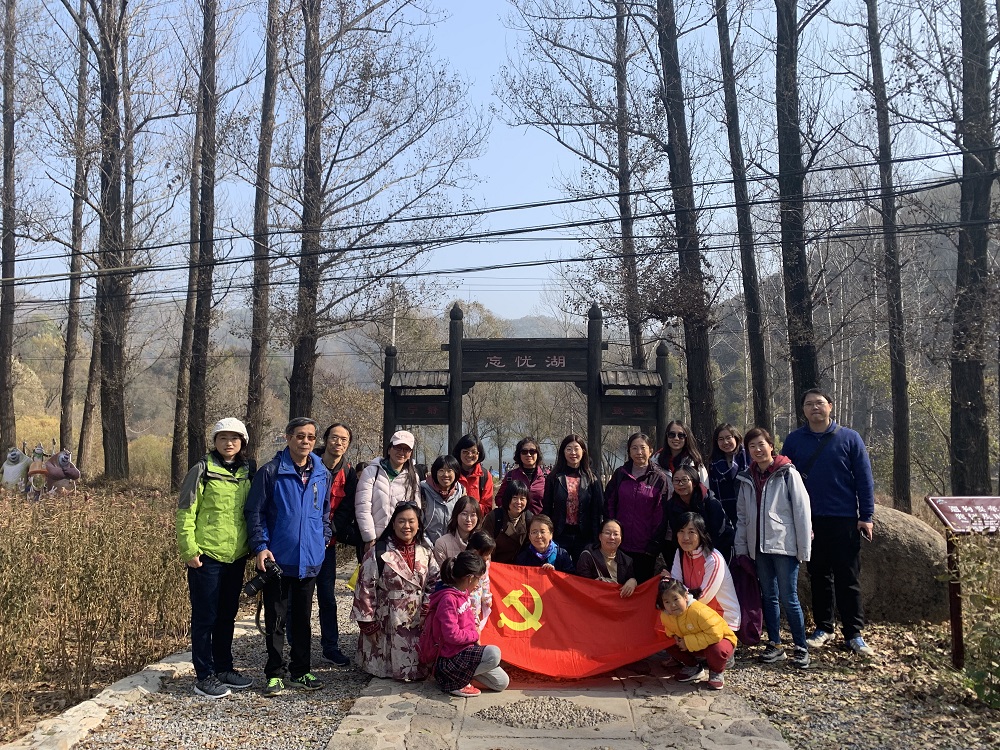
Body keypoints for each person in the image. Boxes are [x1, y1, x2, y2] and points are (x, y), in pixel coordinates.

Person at [781, 388, 876, 657]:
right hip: (809, 520)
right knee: (819, 576)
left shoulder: (850, 438)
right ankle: (824, 627)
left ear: (830, 406)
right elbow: (785, 479)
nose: (815, 408)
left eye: (819, 403)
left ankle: (854, 633)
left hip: (844, 519)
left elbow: (864, 479)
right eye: (809, 404)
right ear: (803, 410)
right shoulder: (795, 440)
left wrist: (866, 516)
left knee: (848, 577)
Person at [244, 417, 331, 696]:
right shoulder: (271, 472)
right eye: (300, 436)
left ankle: (301, 671)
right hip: (278, 560)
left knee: (303, 619)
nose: (305, 441)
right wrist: (260, 547)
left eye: (311, 437)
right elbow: (255, 513)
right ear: (288, 438)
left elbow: (325, 513)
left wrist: (323, 539)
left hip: (310, 560)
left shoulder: (322, 473)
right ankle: (274, 674)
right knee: (276, 620)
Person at [176, 418, 256, 698]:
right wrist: (189, 550)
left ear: (242, 442)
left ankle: (224, 668)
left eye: (235, 438)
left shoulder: (248, 471)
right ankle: (204, 675)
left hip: (236, 556)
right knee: (205, 616)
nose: (229, 443)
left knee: (227, 615)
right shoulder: (202, 470)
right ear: (214, 442)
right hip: (206, 555)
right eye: (223, 438)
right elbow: (186, 511)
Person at [735, 427, 811, 668]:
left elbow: (802, 511)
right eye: (752, 446)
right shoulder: (747, 477)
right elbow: (742, 516)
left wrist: (803, 549)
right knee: (768, 597)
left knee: (789, 598)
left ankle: (801, 647)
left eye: (761, 444)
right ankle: (775, 644)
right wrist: (742, 548)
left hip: (784, 546)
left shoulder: (787, 473)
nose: (757, 450)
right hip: (759, 547)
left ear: (771, 446)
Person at [350, 502, 440, 681]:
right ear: (393, 524)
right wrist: (368, 625)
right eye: (401, 521)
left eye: (411, 521)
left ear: (418, 524)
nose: (406, 526)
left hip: (418, 618)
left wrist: (427, 609)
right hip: (387, 619)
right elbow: (365, 588)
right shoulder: (378, 552)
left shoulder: (426, 551)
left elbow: (435, 582)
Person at [421, 551, 510, 697]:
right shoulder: (448, 599)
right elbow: (452, 635)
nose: (478, 584)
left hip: (466, 652)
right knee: (493, 653)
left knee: (501, 682)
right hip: (451, 656)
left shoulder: (463, 594)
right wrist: (475, 635)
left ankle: (459, 677)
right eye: (478, 579)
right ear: (469, 578)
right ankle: (452, 679)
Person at [315, 422, 359, 667]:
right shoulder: (309, 464)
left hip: (327, 544)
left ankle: (330, 647)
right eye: (334, 437)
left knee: (327, 598)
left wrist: (330, 530)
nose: (338, 443)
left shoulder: (348, 473)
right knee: (295, 599)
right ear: (325, 439)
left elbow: (347, 508)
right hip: (303, 543)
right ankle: (295, 647)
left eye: (344, 439)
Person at [605, 432, 670, 582]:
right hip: (620, 544)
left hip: (645, 548)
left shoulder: (659, 478)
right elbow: (609, 504)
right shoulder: (620, 474)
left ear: (651, 451)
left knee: (641, 587)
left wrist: (654, 545)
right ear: (629, 451)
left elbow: (661, 515)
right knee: (618, 586)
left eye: (642, 448)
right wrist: (612, 533)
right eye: (634, 448)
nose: (639, 452)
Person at [656, 577, 736, 691]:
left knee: (717, 649)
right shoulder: (665, 615)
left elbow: (715, 635)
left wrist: (687, 642)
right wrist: (675, 637)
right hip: (695, 643)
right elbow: (669, 629)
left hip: (720, 640)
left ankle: (717, 671)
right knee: (667, 641)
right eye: (667, 602)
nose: (672, 605)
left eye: (676, 599)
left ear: (685, 596)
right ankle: (693, 667)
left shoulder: (698, 611)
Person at [669, 512, 740, 631]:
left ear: (701, 534)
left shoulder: (713, 559)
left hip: (721, 619)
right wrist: (669, 584)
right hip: (694, 615)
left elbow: (703, 598)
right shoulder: (680, 553)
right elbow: (674, 586)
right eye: (681, 531)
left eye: (691, 532)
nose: (685, 537)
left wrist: (674, 589)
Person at [542, 434, 604, 562]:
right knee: (557, 568)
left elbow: (597, 510)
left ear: (583, 451)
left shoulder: (592, 478)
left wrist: (596, 537)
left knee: (582, 569)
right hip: (560, 534)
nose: (573, 453)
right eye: (569, 449)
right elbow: (547, 508)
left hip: (584, 535)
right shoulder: (554, 477)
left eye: (576, 449)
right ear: (563, 452)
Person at [355, 430, 421, 552]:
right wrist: (369, 538)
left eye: (406, 449)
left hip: (402, 540)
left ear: (410, 454)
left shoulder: (413, 477)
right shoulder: (371, 472)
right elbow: (362, 506)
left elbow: (416, 510)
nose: (401, 452)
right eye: (398, 448)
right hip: (376, 540)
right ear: (389, 449)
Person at [661, 464, 733, 564]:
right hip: (690, 553)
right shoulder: (671, 505)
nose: (680, 484)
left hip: (717, 551)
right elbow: (677, 534)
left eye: (685, 480)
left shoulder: (710, 502)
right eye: (676, 480)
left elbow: (718, 533)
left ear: (694, 482)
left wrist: (707, 556)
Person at [576, 519, 637, 597]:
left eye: (616, 534)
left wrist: (633, 581)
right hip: (593, 599)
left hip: (616, 601)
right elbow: (582, 585)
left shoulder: (627, 561)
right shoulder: (587, 555)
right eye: (607, 533)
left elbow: (630, 581)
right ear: (600, 536)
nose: (612, 537)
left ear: (621, 538)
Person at [482, 479, 533, 564]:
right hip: (497, 566)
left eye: (522, 498)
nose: (519, 502)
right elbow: (484, 547)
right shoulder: (494, 517)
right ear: (507, 498)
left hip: (520, 567)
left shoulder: (529, 518)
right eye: (515, 498)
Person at [708, 423, 748, 531]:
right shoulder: (713, 464)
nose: (725, 442)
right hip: (724, 515)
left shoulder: (748, 457)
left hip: (749, 512)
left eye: (728, 437)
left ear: (736, 437)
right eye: (721, 439)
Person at [494, 437, 548, 514]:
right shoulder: (511, 476)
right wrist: (510, 511)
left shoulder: (546, 477)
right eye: (524, 452)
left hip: (539, 520)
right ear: (519, 454)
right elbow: (499, 498)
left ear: (538, 454)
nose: (528, 455)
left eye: (532, 451)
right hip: (515, 520)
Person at [421, 454, 465, 545]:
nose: (445, 475)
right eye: (441, 471)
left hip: (452, 546)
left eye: (449, 471)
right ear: (435, 472)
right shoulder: (422, 490)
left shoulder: (461, 492)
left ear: (456, 472)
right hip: (427, 546)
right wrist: (429, 546)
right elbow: (418, 524)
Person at [654, 420, 709, 490]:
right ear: (666, 436)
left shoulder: (695, 462)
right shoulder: (655, 461)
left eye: (681, 435)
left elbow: (704, 489)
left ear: (686, 438)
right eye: (672, 435)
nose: (676, 438)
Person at [452, 434, 494, 517]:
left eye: (474, 452)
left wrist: (469, 508)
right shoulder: (451, 473)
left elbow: (487, 507)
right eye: (465, 451)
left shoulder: (485, 475)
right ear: (459, 452)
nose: (470, 455)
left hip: (474, 522)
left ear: (479, 453)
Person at [433, 497, 483, 564]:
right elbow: (442, 569)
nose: (468, 519)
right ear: (456, 515)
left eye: (473, 515)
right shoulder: (442, 543)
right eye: (464, 514)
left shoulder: (482, 543)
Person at [465, 530, 495, 630]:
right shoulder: (463, 563)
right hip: (464, 605)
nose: (488, 557)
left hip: (476, 605)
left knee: (476, 630)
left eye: (490, 554)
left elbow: (485, 582)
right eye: (486, 554)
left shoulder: (485, 565)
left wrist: (487, 598)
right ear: (476, 551)